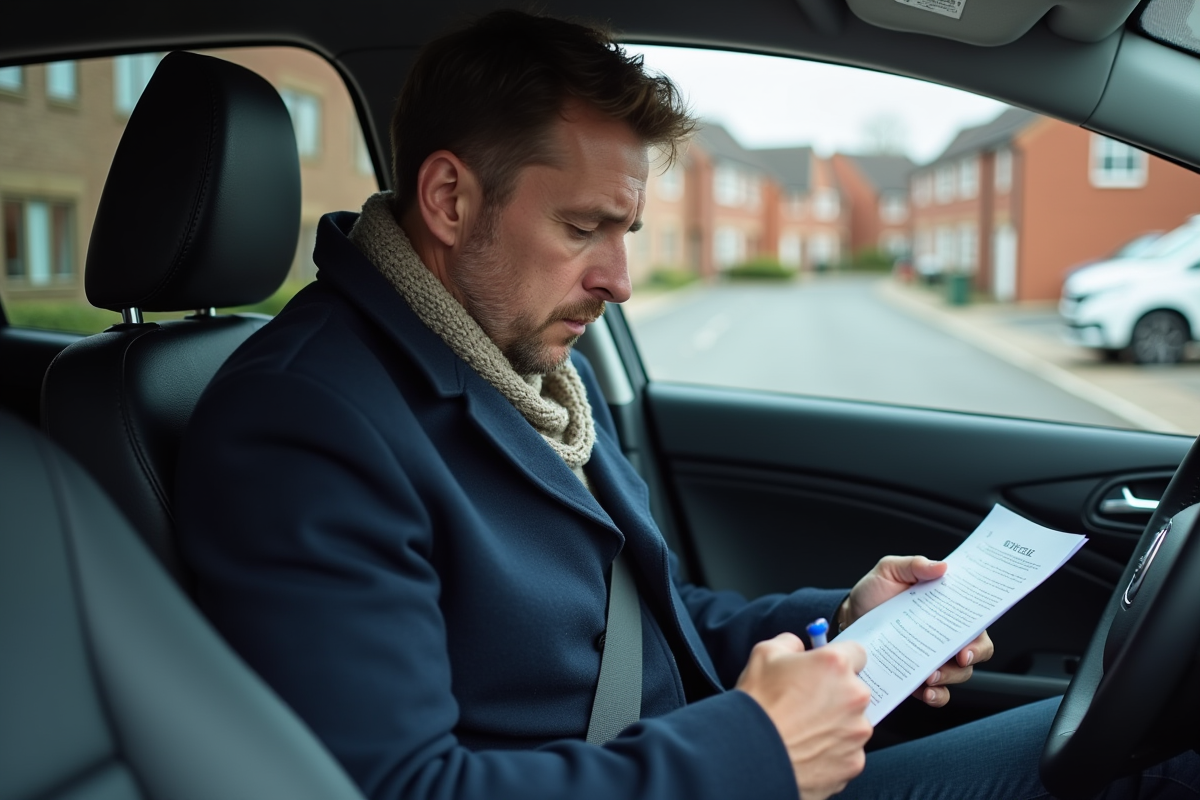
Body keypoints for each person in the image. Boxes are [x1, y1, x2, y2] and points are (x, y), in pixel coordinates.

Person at [174, 10, 1195, 800]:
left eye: (630, 230)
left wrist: (840, 621)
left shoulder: (529, 370)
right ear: (448, 201)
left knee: (1139, 739)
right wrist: (756, 746)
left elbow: (648, 623)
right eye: (586, 227)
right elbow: (401, 787)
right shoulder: (304, 422)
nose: (621, 277)